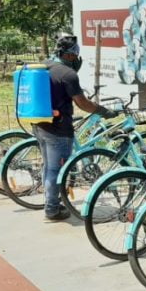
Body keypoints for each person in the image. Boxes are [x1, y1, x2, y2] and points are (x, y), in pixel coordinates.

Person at [35, 34, 117, 221]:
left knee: (49, 167)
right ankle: (52, 209)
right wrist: (103, 111)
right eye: (76, 55)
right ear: (72, 55)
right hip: (59, 130)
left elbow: (57, 86)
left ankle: (51, 203)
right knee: (57, 170)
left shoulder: (45, 65)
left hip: (40, 125)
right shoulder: (68, 74)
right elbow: (82, 103)